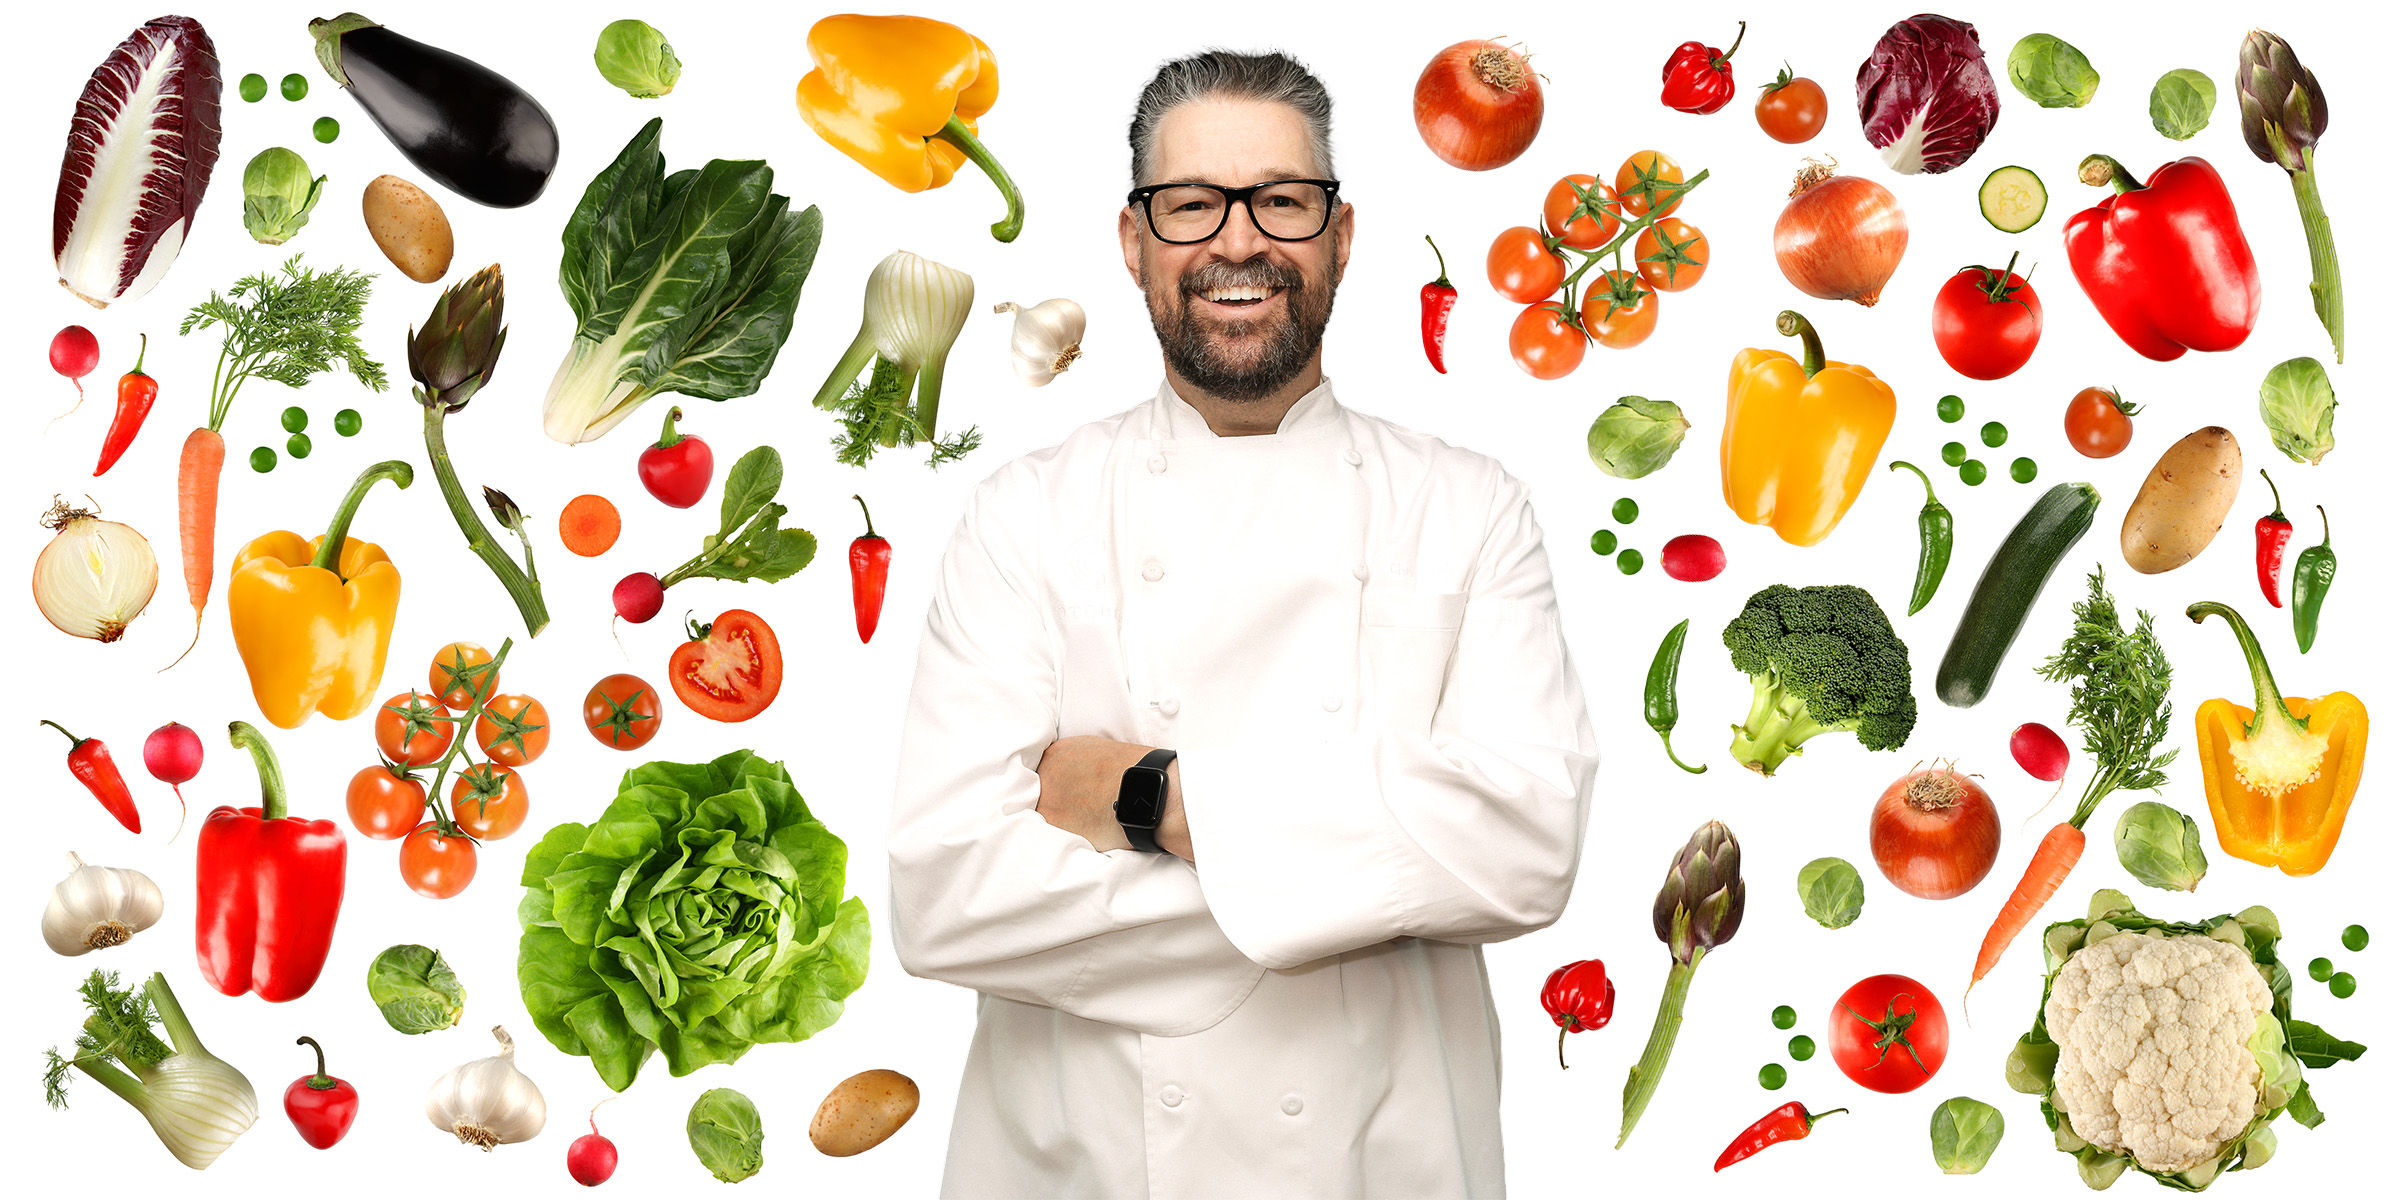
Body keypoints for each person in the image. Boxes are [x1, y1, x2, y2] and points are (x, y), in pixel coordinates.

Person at [888, 48, 1597, 1199]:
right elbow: (947, 900)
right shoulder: (1024, 517)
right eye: (1190, 205)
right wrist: (1370, 888)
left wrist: (1147, 798)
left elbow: (1525, 849)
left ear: (1341, 233)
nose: (1237, 241)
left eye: (1280, 200)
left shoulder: (1468, 510)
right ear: (1135, 243)